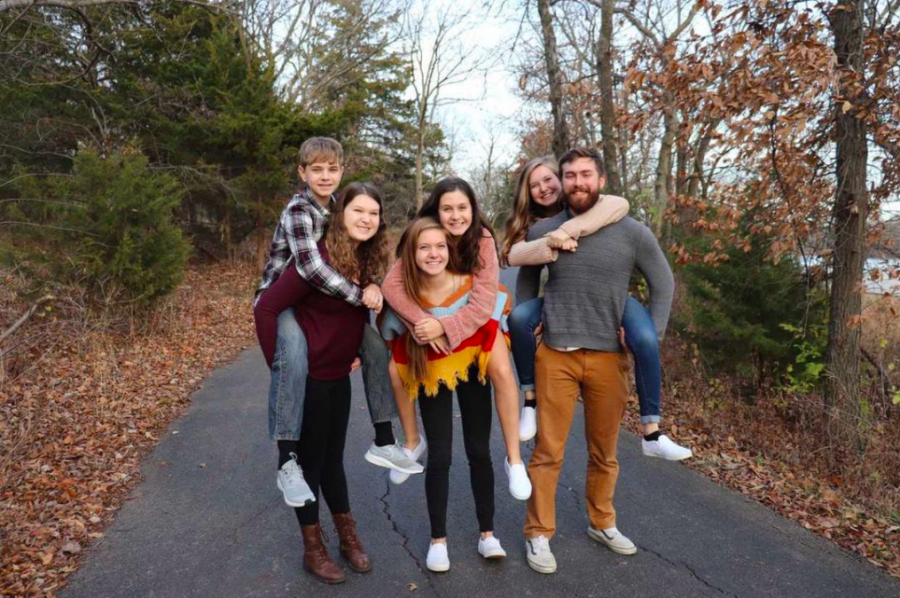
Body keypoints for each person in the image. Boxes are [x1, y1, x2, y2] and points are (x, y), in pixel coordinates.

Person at [519, 148, 675, 574]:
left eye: (585, 174)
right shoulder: (546, 228)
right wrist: (526, 322)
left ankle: (602, 522)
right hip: (556, 354)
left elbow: (663, 284)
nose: (576, 182)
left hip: (609, 357)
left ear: (601, 180)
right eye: (569, 175)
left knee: (604, 451)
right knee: (548, 451)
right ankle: (538, 533)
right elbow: (527, 286)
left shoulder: (633, 232)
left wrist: (648, 338)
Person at [253, 137, 421, 512]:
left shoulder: (336, 214)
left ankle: (384, 438)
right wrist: (361, 295)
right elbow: (312, 269)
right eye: (317, 169)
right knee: (293, 356)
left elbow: (350, 269)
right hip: (281, 300)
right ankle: (286, 460)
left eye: (332, 170)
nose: (325, 176)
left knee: (376, 346)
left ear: (342, 172)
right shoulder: (299, 210)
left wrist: (369, 300)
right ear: (302, 173)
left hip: (316, 297)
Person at [501, 156, 691, 460]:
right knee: (519, 317)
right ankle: (530, 402)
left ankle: (652, 432)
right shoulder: (537, 227)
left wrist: (569, 230)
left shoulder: (610, 211)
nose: (544, 188)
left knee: (645, 339)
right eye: (534, 185)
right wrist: (547, 243)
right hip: (561, 300)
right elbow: (520, 266)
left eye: (548, 180)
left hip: (611, 297)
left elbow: (619, 204)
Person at [254, 183, 390, 583]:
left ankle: (348, 536)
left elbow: (361, 314)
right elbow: (266, 308)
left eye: (373, 213)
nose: (366, 219)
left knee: (332, 460)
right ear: (341, 214)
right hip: (310, 379)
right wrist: (280, 368)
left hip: (338, 377)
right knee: (311, 465)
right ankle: (313, 548)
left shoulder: (366, 259)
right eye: (358, 211)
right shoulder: (316, 261)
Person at [381, 178, 532, 501]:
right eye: (447, 208)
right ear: (436, 211)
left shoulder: (482, 239)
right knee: (395, 370)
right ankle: (411, 440)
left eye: (462, 208)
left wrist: (446, 327)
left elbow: (481, 303)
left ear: (473, 209)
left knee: (501, 369)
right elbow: (392, 286)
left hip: (475, 313)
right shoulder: (423, 233)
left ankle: (515, 459)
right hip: (430, 311)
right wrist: (425, 322)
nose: (455, 215)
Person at [381, 217, 510, 572]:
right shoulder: (405, 292)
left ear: (450, 249)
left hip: (470, 366)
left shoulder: (467, 284)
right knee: (440, 455)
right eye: (424, 247)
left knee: (479, 450)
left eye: (440, 246)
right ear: (411, 253)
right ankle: (438, 540)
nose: (433, 253)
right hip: (431, 370)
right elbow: (387, 334)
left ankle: (488, 534)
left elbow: (493, 308)